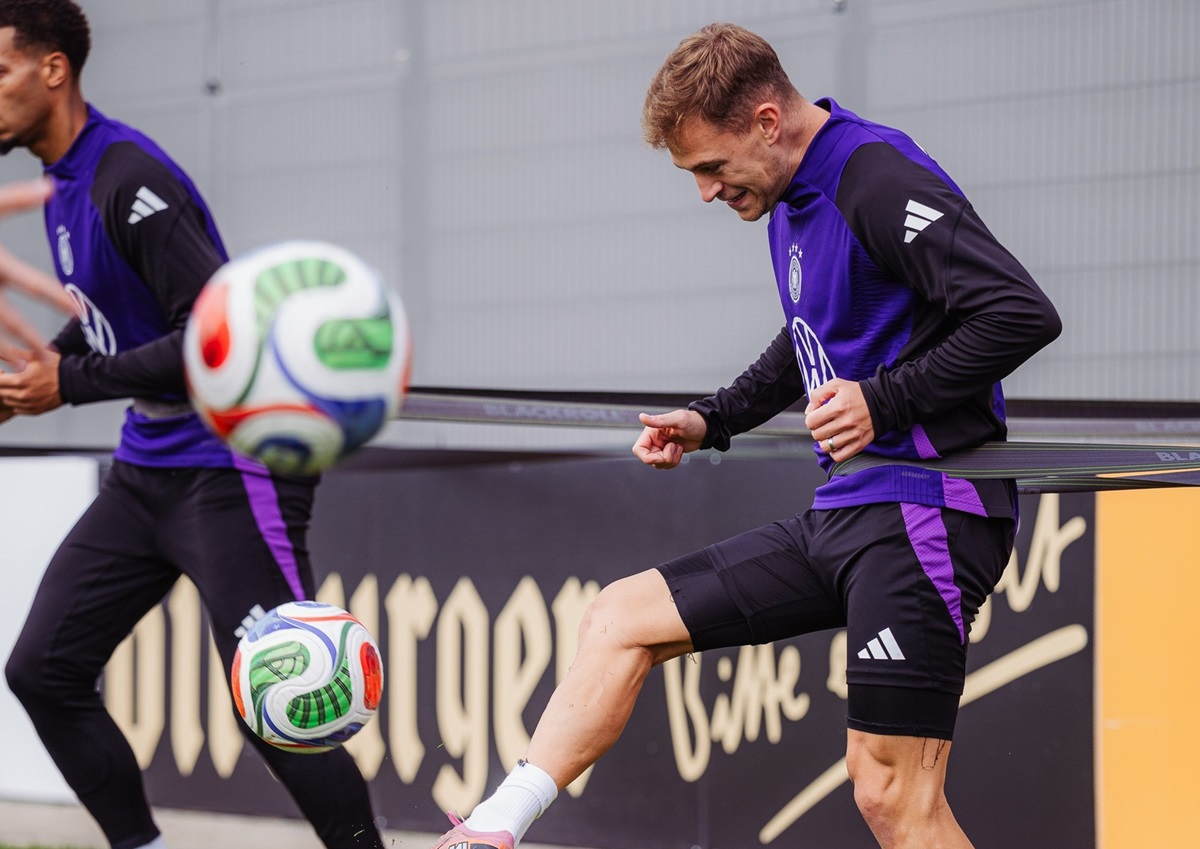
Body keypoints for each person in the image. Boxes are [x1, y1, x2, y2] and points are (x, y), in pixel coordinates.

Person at [429, 22, 1061, 849]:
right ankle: (490, 831)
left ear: (767, 121)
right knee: (621, 617)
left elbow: (1019, 311)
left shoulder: (872, 175)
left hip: (925, 510)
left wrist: (885, 400)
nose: (704, 191)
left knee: (891, 792)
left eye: (710, 168)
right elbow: (806, 338)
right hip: (847, 510)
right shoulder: (789, 198)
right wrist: (712, 418)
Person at [0, 3, 383, 848]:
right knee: (42, 669)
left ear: (53, 70)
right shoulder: (64, 183)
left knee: (277, 696)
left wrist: (69, 384)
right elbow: (104, 314)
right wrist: (49, 369)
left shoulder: (129, 178)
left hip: (231, 470)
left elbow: (217, 336)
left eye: (0, 73)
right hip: (146, 472)